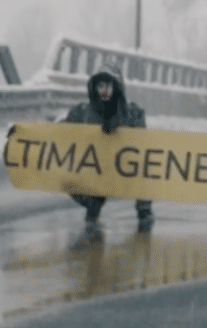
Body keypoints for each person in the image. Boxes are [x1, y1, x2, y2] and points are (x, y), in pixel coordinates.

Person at [62, 63, 154, 232]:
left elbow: (143, 149)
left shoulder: (133, 114)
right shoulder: (82, 112)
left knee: (144, 167)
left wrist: (115, 126)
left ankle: (144, 210)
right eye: (100, 85)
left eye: (108, 85)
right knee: (67, 181)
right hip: (97, 171)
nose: (104, 90)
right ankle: (93, 202)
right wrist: (26, 134)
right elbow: (57, 132)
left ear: (117, 88)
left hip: (125, 170)